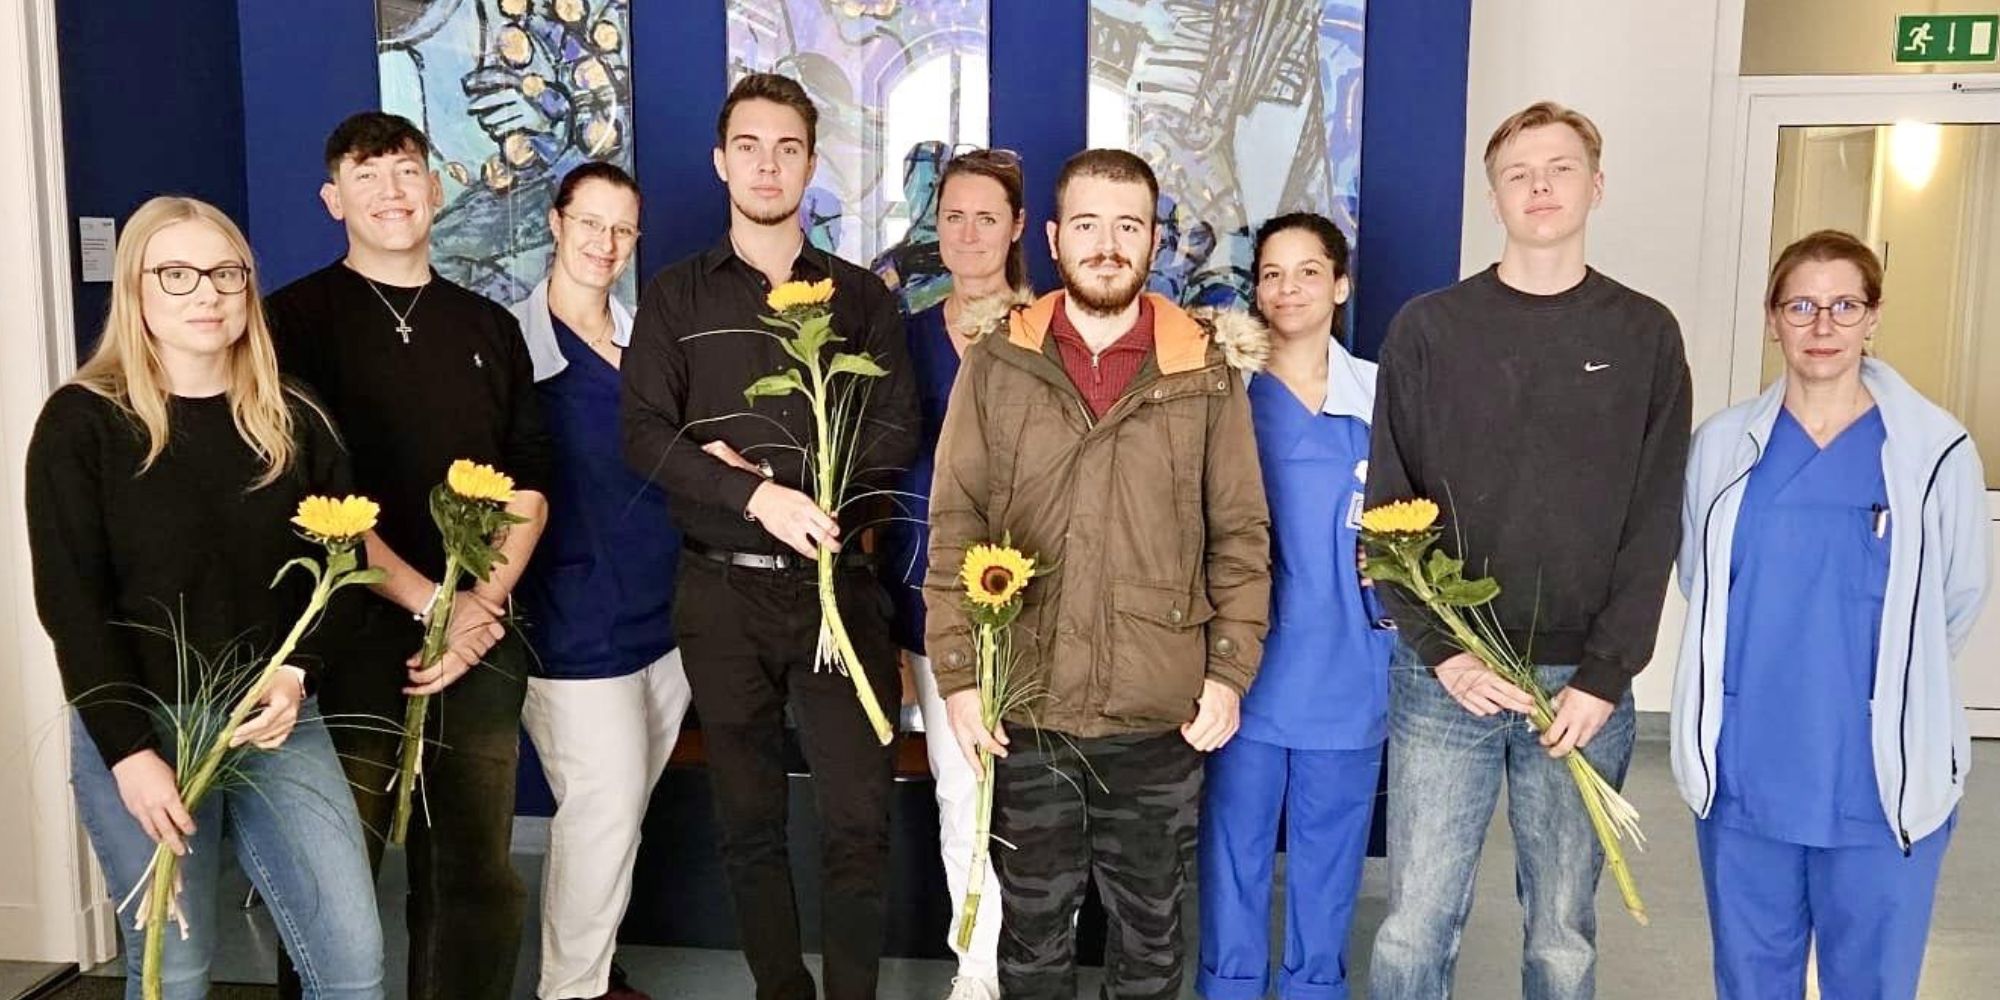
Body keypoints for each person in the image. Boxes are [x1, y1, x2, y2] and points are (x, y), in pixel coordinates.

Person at [926, 148, 1272, 1000]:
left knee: (1152, 938)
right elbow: (954, 524)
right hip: (1028, 705)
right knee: (1033, 937)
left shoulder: (1205, 372)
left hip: (1159, 714)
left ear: (1154, 241)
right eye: (1087, 225)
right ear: (1051, 238)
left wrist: (1228, 672)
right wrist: (963, 678)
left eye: (1127, 226)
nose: (1106, 245)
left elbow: (1240, 533)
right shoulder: (998, 362)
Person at [1365, 101, 1691, 1000]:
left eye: (1558, 167)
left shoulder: (1645, 335)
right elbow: (1389, 510)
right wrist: (1443, 655)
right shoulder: (1428, 330)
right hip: (1446, 687)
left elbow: (1653, 517)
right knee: (1414, 928)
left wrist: (1606, 675)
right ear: (1495, 195)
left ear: (1596, 184)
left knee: (1561, 937)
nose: (1540, 186)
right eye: (1519, 172)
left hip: (1581, 693)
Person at [26, 196, 384, 999]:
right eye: (177, 273)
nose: (206, 293)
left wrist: (299, 677)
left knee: (352, 960)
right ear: (137, 289)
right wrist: (127, 751)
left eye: (225, 273)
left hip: (276, 720)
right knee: (175, 970)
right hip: (144, 726)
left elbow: (345, 574)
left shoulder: (295, 417)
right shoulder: (83, 423)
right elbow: (71, 605)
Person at [619, 72, 918, 1000]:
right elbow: (643, 434)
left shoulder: (861, 298)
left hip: (841, 589)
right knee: (746, 819)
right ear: (720, 161)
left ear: (812, 165)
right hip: (717, 595)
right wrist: (753, 499)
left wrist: (805, 499)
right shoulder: (675, 296)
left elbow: (896, 429)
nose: (767, 164)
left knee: (857, 818)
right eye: (748, 146)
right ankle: (780, 990)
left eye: (787, 147)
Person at [266, 110, 552, 1000]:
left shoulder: (491, 327)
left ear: (435, 188)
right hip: (342, 637)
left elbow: (531, 485)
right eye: (366, 174)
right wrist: (431, 600)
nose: (390, 191)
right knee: (328, 874)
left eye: (405, 171)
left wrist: (478, 608)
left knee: (473, 874)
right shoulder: (289, 322)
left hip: (478, 639)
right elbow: (303, 493)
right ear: (331, 199)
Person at [1671, 230, 1989, 1000]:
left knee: (1873, 983)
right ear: (1771, 318)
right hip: (1749, 768)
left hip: (1878, 780)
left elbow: (1955, 596)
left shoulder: (1934, 449)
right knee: (1750, 981)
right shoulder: (1720, 446)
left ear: (1873, 316)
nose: (1823, 325)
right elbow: (1700, 578)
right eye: (1802, 305)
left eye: (1845, 305)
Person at [1196, 212, 1392, 1000]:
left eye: (1309, 271)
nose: (1288, 289)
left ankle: (1315, 987)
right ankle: (1231, 987)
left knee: (1329, 859)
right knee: (1234, 855)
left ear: (1340, 285)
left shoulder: (1385, 396)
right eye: (1272, 273)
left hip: (1349, 673)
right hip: (1246, 674)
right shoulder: (1225, 395)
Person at [512, 161, 689, 1000]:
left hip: (664, 621)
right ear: (556, 221)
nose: (606, 244)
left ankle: (593, 970)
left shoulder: (646, 341)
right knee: (603, 812)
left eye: (623, 230)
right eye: (591, 223)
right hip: (570, 629)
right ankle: (569, 990)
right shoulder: (512, 346)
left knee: (621, 821)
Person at [878, 146, 1030, 1000]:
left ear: (1015, 229)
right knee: (960, 793)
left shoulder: (1051, 332)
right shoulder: (905, 340)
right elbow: (882, 480)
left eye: (988, 217)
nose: (970, 233)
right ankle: (976, 973)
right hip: (936, 606)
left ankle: (1029, 964)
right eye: (955, 216)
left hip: (1040, 605)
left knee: (1032, 797)